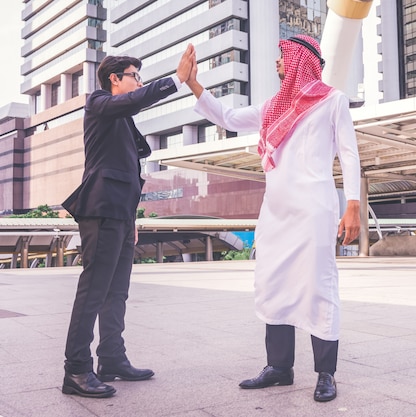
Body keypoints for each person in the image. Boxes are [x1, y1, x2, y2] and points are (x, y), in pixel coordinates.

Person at [186, 35, 361, 402]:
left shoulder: (333, 101)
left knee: (318, 285)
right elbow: (228, 118)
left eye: (282, 58)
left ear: (301, 60)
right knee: (274, 283)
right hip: (276, 212)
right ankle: (279, 368)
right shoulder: (274, 106)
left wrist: (354, 205)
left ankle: (325, 373)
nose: (278, 64)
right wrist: (192, 82)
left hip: (314, 209)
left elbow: (349, 154)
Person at [61, 45, 196, 398]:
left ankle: (112, 359)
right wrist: (176, 81)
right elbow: (131, 103)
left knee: (116, 292)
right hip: (101, 209)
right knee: (93, 291)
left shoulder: (120, 116)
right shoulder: (99, 102)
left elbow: (127, 170)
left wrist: (132, 218)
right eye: (135, 76)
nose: (139, 82)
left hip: (121, 213)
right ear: (114, 79)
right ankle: (76, 370)